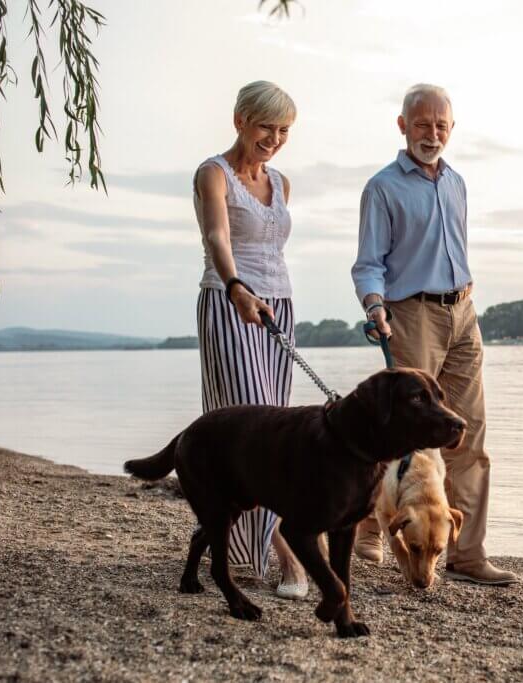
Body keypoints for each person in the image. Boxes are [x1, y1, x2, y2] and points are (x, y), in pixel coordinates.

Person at [350, 83, 518, 586]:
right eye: (422, 124)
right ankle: (369, 525)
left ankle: (466, 555)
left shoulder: (457, 183)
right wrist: (375, 307)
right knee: (399, 438)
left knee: (469, 436)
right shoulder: (382, 188)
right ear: (403, 126)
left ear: (451, 128)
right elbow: (368, 264)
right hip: (412, 314)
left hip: (463, 311)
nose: (433, 134)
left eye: (441, 125)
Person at [192, 80, 309, 600]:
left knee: (276, 431)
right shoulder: (212, 173)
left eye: (283, 131)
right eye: (266, 126)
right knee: (251, 425)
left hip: (278, 306)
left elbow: (275, 249)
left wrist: (268, 299)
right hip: (228, 301)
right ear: (240, 119)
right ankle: (290, 554)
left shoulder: (281, 182)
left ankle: (237, 549)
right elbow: (217, 236)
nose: (275, 138)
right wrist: (237, 286)